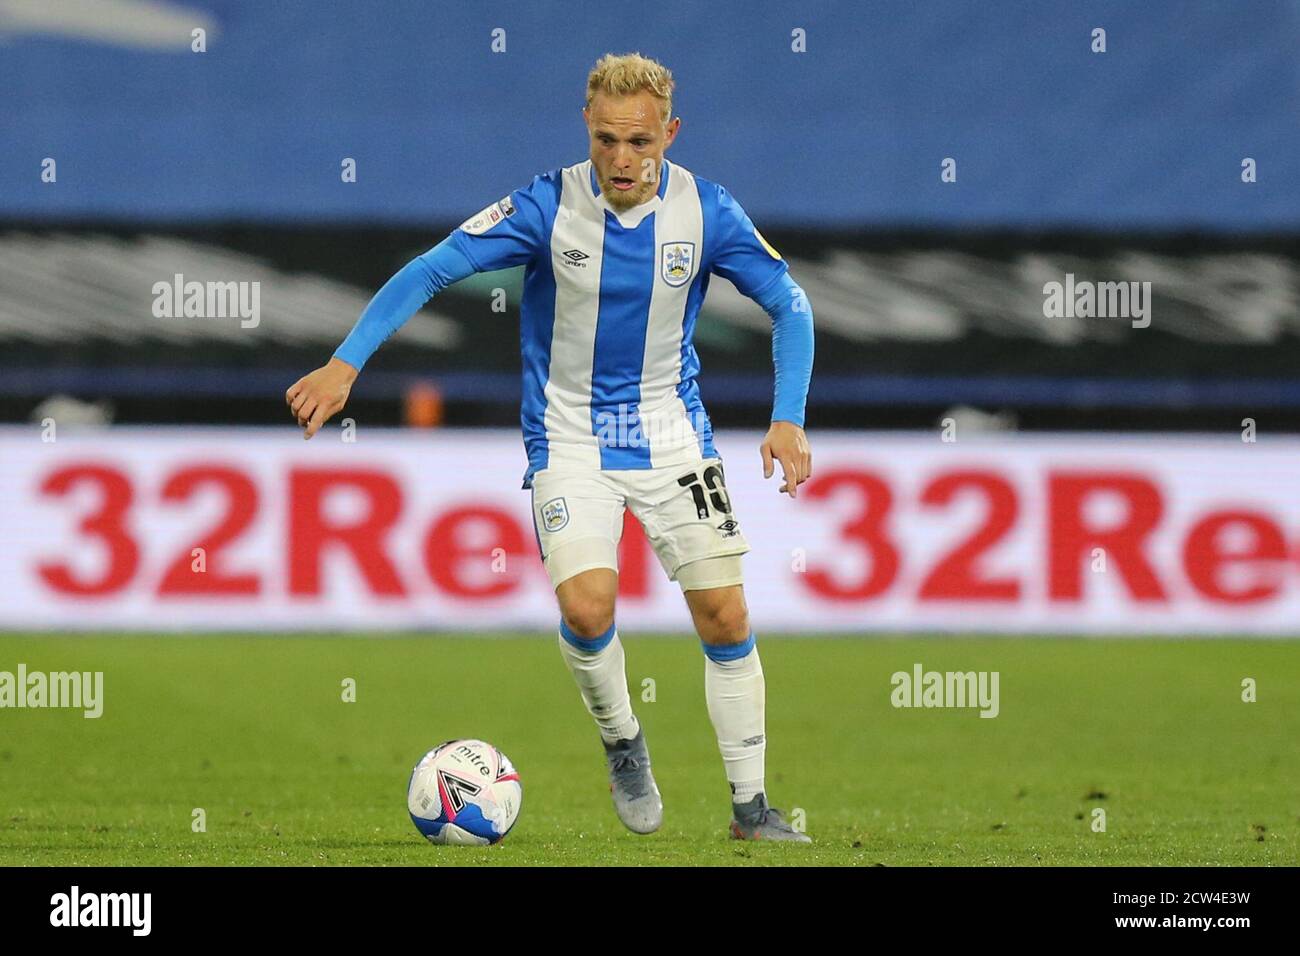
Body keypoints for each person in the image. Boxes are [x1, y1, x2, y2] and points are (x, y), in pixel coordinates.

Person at [286, 52, 814, 841]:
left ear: (669, 133)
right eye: (606, 140)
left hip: (671, 436)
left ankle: (751, 810)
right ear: (587, 129)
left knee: (724, 615)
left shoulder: (709, 212)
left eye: (640, 142)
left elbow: (790, 304)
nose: (622, 159)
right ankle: (623, 742)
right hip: (568, 437)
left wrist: (789, 414)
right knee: (587, 603)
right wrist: (345, 362)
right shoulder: (545, 205)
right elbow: (430, 271)